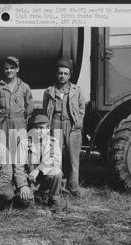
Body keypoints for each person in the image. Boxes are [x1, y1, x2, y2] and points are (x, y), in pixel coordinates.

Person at [43, 57, 86, 197]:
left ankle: (74, 187)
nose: (62, 76)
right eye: (60, 73)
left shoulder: (76, 90)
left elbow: (81, 108)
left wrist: (78, 122)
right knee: (56, 158)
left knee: (74, 158)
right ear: (56, 74)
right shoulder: (49, 91)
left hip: (71, 125)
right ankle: (58, 187)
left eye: (65, 74)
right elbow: (46, 110)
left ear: (70, 75)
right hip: (55, 123)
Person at [15, 114, 63, 213]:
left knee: (57, 172)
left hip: (45, 179)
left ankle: (53, 200)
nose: (38, 131)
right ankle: (35, 195)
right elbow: (18, 167)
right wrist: (22, 185)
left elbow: (56, 162)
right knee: (24, 203)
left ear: (48, 129)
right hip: (29, 180)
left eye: (41, 128)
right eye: (36, 128)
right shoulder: (24, 143)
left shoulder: (54, 143)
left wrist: (38, 169)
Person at [0, 56, 33, 154]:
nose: (9, 70)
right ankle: (6, 169)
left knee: (19, 152)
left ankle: (19, 169)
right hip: (2, 123)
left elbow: (29, 107)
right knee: (3, 151)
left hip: (18, 123)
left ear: (17, 69)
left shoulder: (24, 87)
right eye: (6, 68)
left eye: (12, 68)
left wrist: (22, 121)